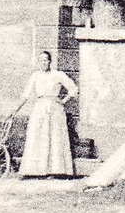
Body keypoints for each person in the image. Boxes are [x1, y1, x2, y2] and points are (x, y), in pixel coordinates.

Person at [13, 50, 78, 178]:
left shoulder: (58, 75)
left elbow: (73, 88)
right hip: (40, 108)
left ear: (50, 61)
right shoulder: (35, 76)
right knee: (38, 136)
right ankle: (34, 171)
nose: (44, 62)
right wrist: (15, 109)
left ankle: (55, 171)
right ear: (39, 62)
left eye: (46, 60)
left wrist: (63, 101)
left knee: (54, 137)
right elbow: (25, 95)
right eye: (41, 60)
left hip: (55, 109)